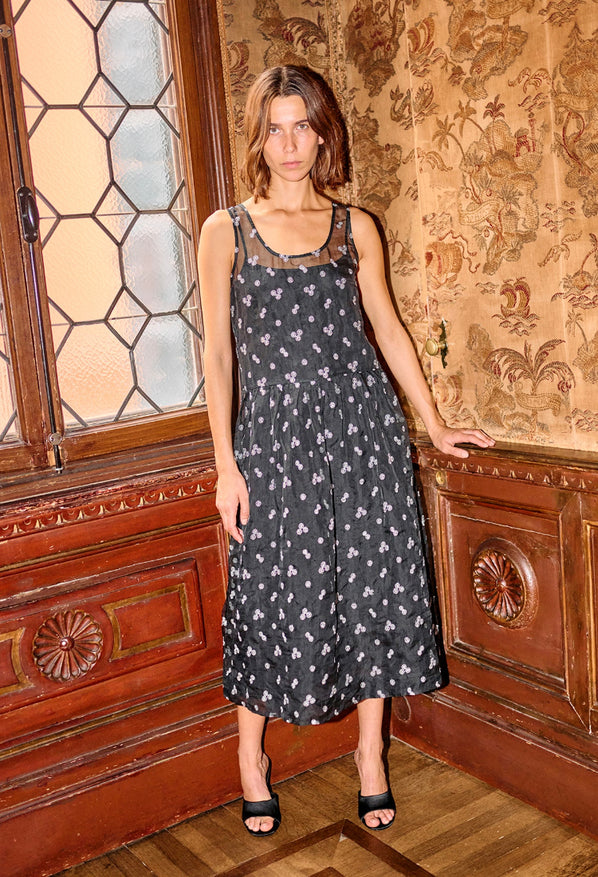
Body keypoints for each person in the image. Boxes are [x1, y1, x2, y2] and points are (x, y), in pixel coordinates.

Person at [198, 65, 494, 837]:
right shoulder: (226, 230)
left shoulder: (355, 226)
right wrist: (226, 464)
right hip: (274, 444)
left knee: (373, 589)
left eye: (302, 125)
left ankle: (371, 755)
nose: (290, 143)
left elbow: (387, 329)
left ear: (322, 132)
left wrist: (432, 423)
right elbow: (219, 355)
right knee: (266, 595)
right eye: (275, 128)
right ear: (258, 138)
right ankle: (251, 759)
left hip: (364, 434)